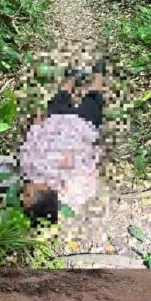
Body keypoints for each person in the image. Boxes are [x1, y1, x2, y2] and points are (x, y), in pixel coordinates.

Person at [16, 61, 105, 226]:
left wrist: (36, 126)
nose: (23, 194)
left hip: (55, 121)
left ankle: (72, 77)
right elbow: (92, 175)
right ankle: (99, 74)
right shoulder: (72, 191)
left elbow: (29, 145)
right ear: (41, 194)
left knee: (60, 96)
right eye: (27, 196)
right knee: (93, 98)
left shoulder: (27, 170)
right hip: (83, 127)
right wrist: (92, 152)